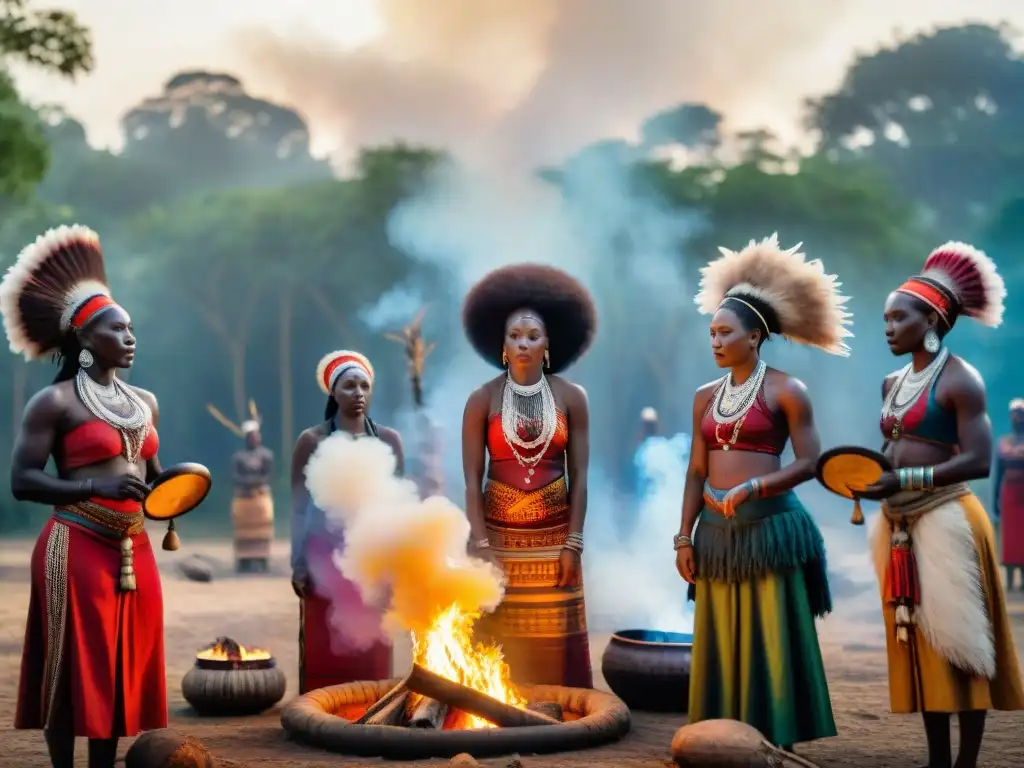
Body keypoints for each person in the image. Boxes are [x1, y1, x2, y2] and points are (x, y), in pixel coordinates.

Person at [1, 225, 167, 768]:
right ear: (85, 337)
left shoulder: (145, 402)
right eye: (117, 328)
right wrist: (93, 486)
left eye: (132, 328)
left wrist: (182, 487)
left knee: (120, 665)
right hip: (73, 546)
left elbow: (155, 479)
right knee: (74, 665)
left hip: (134, 551)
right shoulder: (53, 403)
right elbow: (22, 481)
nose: (130, 337)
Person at [675, 234, 849, 748]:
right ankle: (723, 738)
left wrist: (754, 486)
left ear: (755, 337)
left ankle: (776, 740)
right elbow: (694, 471)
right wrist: (683, 537)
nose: (715, 341)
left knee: (770, 636)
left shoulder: (787, 390)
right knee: (722, 636)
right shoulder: (704, 398)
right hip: (715, 537)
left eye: (725, 332)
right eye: (711, 332)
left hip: (772, 530)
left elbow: (812, 462)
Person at [857, 241, 1024, 768]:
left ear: (929, 318)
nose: (887, 327)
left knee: (961, 644)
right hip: (900, 522)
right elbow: (888, 449)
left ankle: (967, 762)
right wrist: (867, 476)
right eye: (884, 318)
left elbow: (977, 460)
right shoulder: (891, 383)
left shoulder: (961, 380)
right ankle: (936, 760)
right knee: (923, 642)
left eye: (897, 317)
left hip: (949, 517)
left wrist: (905, 476)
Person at [461, 263, 597, 689]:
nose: (523, 344)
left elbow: (580, 475)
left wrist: (573, 543)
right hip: (498, 541)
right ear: (501, 345)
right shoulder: (482, 399)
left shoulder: (572, 397)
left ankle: (560, 709)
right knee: (498, 642)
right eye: (514, 336)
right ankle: (497, 707)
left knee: (553, 646)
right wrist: (481, 544)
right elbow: (471, 478)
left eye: (532, 336)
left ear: (547, 343)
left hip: (555, 539)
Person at [290, 350, 404, 693]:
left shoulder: (389, 441)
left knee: (373, 642)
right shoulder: (312, 441)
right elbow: (298, 506)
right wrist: (297, 563)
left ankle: (373, 707)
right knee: (326, 642)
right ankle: (322, 710)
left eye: (364, 386)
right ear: (333, 393)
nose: (358, 393)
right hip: (324, 560)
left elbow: (399, 505)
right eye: (349, 386)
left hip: (373, 560)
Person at [231, 418, 274, 573]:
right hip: (243, 499)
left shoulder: (267, 455)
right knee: (243, 531)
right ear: (247, 438)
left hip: (260, 498)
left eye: (256, 435)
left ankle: (262, 558)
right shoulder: (238, 457)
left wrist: (254, 483)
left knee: (262, 530)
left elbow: (268, 475)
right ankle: (243, 560)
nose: (254, 438)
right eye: (251, 436)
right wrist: (249, 483)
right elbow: (235, 476)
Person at [993, 399, 1024, 591]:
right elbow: (998, 472)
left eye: (1020, 413)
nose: (1017, 418)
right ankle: (1011, 579)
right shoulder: (1003, 442)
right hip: (1009, 493)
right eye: (1014, 414)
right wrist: (996, 496)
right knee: (1010, 537)